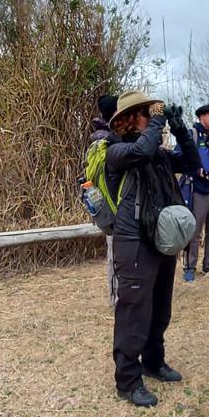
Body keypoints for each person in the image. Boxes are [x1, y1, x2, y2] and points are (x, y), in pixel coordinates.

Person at [105, 90, 200, 407]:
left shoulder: (157, 154)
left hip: (160, 239)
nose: (154, 119)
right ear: (131, 119)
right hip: (134, 242)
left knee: (160, 308)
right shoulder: (117, 151)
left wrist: (180, 127)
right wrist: (158, 122)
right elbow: (141, 151)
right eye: (148, 113)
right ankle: (128, 381)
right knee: (134, 312)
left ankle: (154, 362)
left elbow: (192, 162)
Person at [183, 104, 209, 282]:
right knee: (194, 231)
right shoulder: (191, 135)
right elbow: (180, 159)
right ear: (201, 117)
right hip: (198, 190)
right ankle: (189, 266)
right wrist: (196, 170)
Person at [92, 94, 118, 307]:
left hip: (111, 205)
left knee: (116, 253)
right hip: (111, 206)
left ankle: (118, 296)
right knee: (115, 254)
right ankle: (116, 298)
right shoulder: (104, 139)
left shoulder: (104, 135)